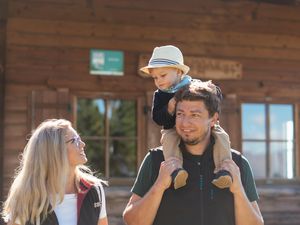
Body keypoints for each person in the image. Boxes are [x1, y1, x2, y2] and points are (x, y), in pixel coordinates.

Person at [123, 80, 264, 225]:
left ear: (213, 119)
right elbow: (131, 221)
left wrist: (238, 190)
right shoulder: (156, 160)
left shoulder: (237, 164)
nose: (185, 123)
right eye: (180, 114)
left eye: (194, 115)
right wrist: (159, 186)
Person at [140, 45, 232, 189]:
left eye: (162, 75)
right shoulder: (160, 95)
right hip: (172, 128)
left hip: (203, 127)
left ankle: (224, 169)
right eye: (155, 78)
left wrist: (214, 91)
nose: (158, 81)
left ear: (178, 71)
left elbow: (213, 97)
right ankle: (176, 171)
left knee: (222, 136)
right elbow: (157, 118)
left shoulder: (192, 84)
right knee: (169, 141)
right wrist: (169, 108)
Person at [2, 119, 108, 225]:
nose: (82, 144)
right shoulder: (26, 195)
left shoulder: (94, 189)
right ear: (55, 150)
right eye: (74, 140)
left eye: (79, 139)